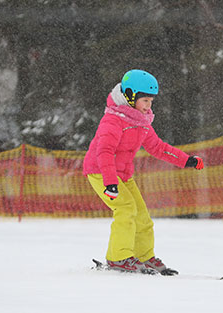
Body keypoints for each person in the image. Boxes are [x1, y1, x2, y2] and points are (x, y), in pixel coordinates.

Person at [83, 69, 204, 275]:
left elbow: (159, 147)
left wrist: (186, 160)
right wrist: (110, 182)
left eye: (151, 101)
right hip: (101, 172)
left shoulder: (141, 122)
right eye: (145, 101)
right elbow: (104, 152)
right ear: (130, 96)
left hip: (123, 175)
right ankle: (119, 257)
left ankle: (144, 257)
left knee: (142, 216)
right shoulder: (113, 120)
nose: (148, 106)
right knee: (126, 209)